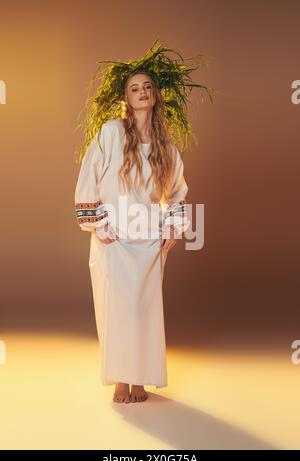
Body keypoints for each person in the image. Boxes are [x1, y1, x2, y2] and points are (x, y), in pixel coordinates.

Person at [74, 40, 213, 404]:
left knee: (145, 310)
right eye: (134, 88)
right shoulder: (110, 134)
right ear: (126, 97)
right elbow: (89, 178)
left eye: (147, 87)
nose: (142, 92)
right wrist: (99, 223)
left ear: (156, 95)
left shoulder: (167, 147)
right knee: (117, 306)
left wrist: (172, 228)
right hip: (115, 237)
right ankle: (122, 378)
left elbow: (178, 193)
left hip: (149, 238)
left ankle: (142, 380)